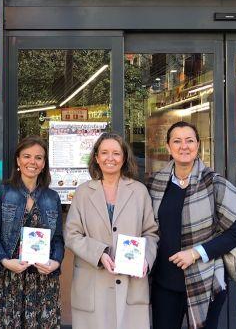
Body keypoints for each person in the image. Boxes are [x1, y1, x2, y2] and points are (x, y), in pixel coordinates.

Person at [148, 121, 236, 329]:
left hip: (206, 280)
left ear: (198, 145)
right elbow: (148, 229)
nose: (184, 146)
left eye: (189, 140)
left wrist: (195, 253)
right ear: (168, 147)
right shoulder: (155, 184)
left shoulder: (215, 183)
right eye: (177, 141)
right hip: (165, 283)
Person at [64, 132, 159, 329]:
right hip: (92, 283)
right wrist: (99, 253)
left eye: (116, 153)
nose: (110, 158)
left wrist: (146, 259)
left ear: (124, 158)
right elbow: (71, 234)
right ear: (96, 157)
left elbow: (151, 233)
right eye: (104, 153)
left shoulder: (139, 191)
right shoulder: (83, 192)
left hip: (130, 284)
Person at [0, 136, 64, 329]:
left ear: (44, 164)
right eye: (27, 156)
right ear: (18, 160)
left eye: (38, 157)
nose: (32, 162)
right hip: (7, 278)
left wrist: (55, 262)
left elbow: (58, 239)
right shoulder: (3, 192)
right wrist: (4, 260)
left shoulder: (52, 197)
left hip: (43, 281)